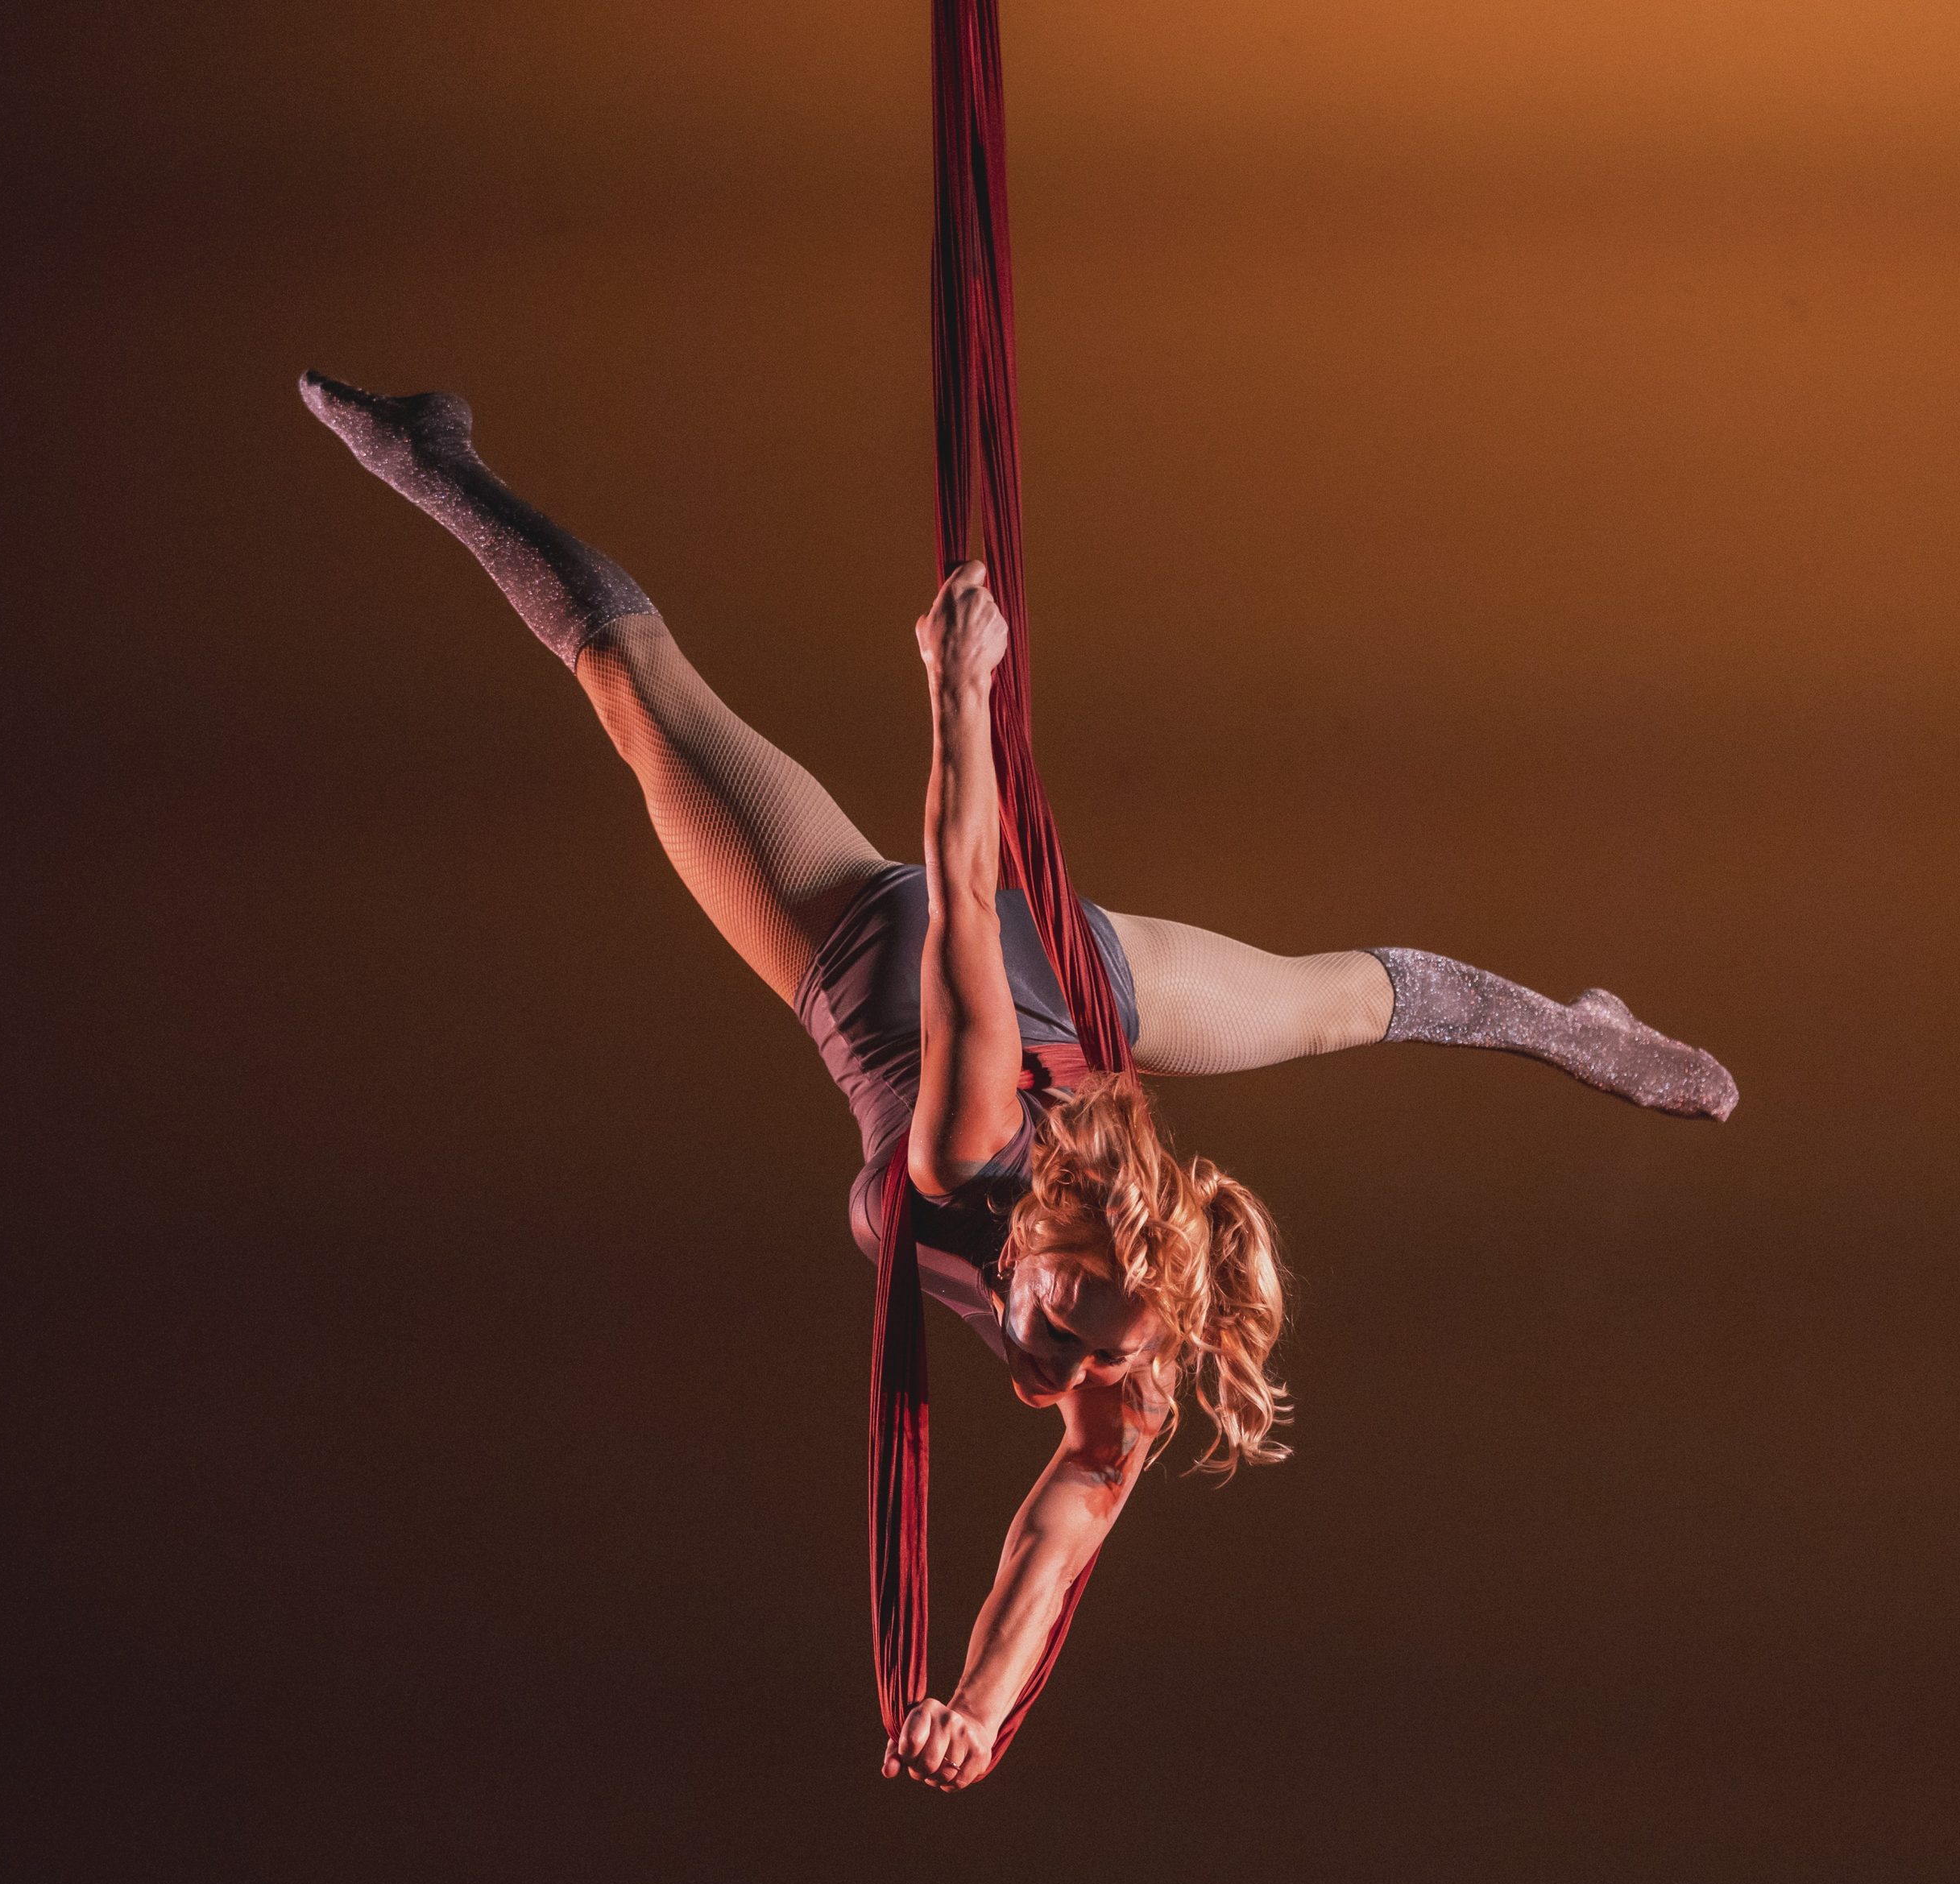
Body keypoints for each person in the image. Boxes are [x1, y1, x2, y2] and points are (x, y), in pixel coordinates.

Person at [299, 371, 1738, 1793]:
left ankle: (1575, 1028)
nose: (1069, 1373)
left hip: (1083, 1005)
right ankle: (439, 459)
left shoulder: (1138, 1357)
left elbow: (1067, 1522)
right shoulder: (963, 1139)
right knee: (632, 689)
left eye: (1101, 1354)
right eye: (1066, 1328)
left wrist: (979, 1711)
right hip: (916, 945)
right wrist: (958, 691)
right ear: (1039, 1233)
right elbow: (974, 891)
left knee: (1339, 1008)